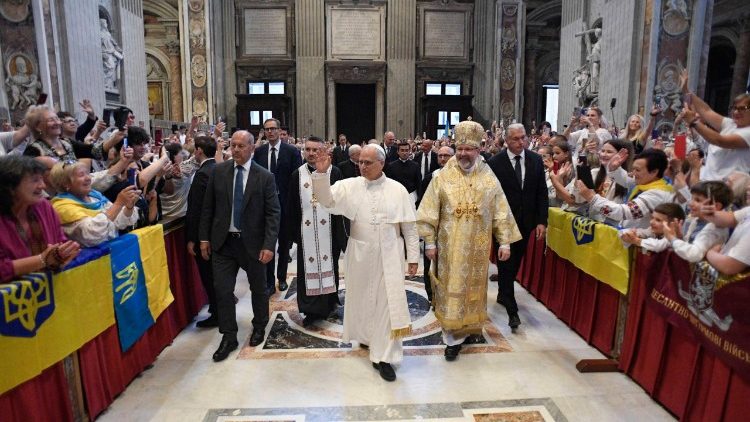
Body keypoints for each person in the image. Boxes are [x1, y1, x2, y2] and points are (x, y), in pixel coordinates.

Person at [311, 144, 419, 382]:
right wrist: (320, 174)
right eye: (360, 161)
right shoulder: (350, 185)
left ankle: (385, 357)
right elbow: (326, 201)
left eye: (368, 162)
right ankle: (368, 338)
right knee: (363, 300)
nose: (362, 166)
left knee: (387, 304)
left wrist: (413, 257)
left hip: (389, 254)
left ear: (382, 163)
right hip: (359, 254)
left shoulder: (398, 189)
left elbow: (410, 227)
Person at [417, 120, 521, 361]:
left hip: (478, 247)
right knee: (452, 289)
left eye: (468, 149)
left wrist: (505, 242)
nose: (463, 153)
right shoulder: (442, 177)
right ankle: (451, 338)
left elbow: (501, 210)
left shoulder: (489, 178)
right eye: (460, 148)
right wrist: (430, 242)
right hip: (450, 248)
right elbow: (428, 210)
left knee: (473, 290)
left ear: (478, 149)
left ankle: (469, 328)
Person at [199, 130, 281, 362]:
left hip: (253, 244)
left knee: (259, 288)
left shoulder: (264, 177)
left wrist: (269, 244)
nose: (235, 149)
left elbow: (273, 213)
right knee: (223, 290)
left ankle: (259, 326)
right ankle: (229, 336)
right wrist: (204, 238)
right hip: (223, 243)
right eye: (232, 145)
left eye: (241, 146)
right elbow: (208, 207)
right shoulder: (219, 172)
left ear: (252, 148)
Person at [487, 123, 549, 331]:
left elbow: (541, 192)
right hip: (503, 222)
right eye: (515, 139)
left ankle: (503, 293)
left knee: (514, 262)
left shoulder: (535, 160)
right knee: (505, 262)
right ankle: (512, 310)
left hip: (526, 222)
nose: (521, 142)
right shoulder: (495, 163)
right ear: (506, 140)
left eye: (523, 137)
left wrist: (541, 221)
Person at [286, 136, 348, 327]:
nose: (311, 153)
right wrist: (295, 234)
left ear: (324, 151)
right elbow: (291, 207)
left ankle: (330, 303)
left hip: (329, 233)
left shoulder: (334, 172)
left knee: (331, 268)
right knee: (307, 271)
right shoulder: (297, 174)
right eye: (308, 149)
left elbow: (341, 204)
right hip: (306, 234)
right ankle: (311, 310)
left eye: (316, 150)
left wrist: (341, 236)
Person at [0, 155, 80, 283]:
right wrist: (42, 260)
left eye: (42, 179)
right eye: (35, 180)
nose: (42, 185)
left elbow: (60, 241)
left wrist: (65, 253)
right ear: (11, 186)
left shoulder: (44, 206)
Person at [253, 118, 303, 295]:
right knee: (267, 244)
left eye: (273, 128)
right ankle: (269, 281)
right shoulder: (259, 152)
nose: (270, 132)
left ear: (279, 130)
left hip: (284, 204)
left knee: (283, 244)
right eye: (267, 129)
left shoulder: (291, 151)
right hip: (265, 206)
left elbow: (297, 178)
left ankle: (281, 278)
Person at [679, 70, 750, 181]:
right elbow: (706, 111)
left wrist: (693, 122)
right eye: (734, 108)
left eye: (742, 109)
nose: (736, 112)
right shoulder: (730, 124)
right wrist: (686, 91)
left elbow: (720, 141)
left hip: (725, 187)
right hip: (707, 182)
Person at [49, 161, 140, 247]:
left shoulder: (95, 196)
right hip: (90, 258)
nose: (88, 178)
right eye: (81, 175)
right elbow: (93, 235)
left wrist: (129, 206)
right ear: (66, 183)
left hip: (112, 252)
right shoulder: (62, 207)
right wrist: (118, 204)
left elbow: (118, 223)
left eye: (87, 173)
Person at [578, 148, 673, 229]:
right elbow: (626, 180)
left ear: (654, 172)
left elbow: (622, 213)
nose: (633, 173)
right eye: (633, 169)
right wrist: (613, 168)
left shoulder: (657, 195)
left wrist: (592, 198)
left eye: (638, 170)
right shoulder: (648, 183)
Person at [186, 136, 219, 328]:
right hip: (217, 232)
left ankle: (217, 312)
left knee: (209, 276)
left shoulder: (202, 174)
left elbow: (197, 209)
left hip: (204, 235)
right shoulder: (219, 169)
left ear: (199, 150)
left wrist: (192, 238)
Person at [417, 145, 454, 303]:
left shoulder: (462, 178)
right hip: (434, 228)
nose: (443, 159)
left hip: (453, 229)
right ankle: (431, 296)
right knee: (430, 263)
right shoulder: (430, 178)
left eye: (446, 156)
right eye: (440, 156)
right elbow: (423, 204)